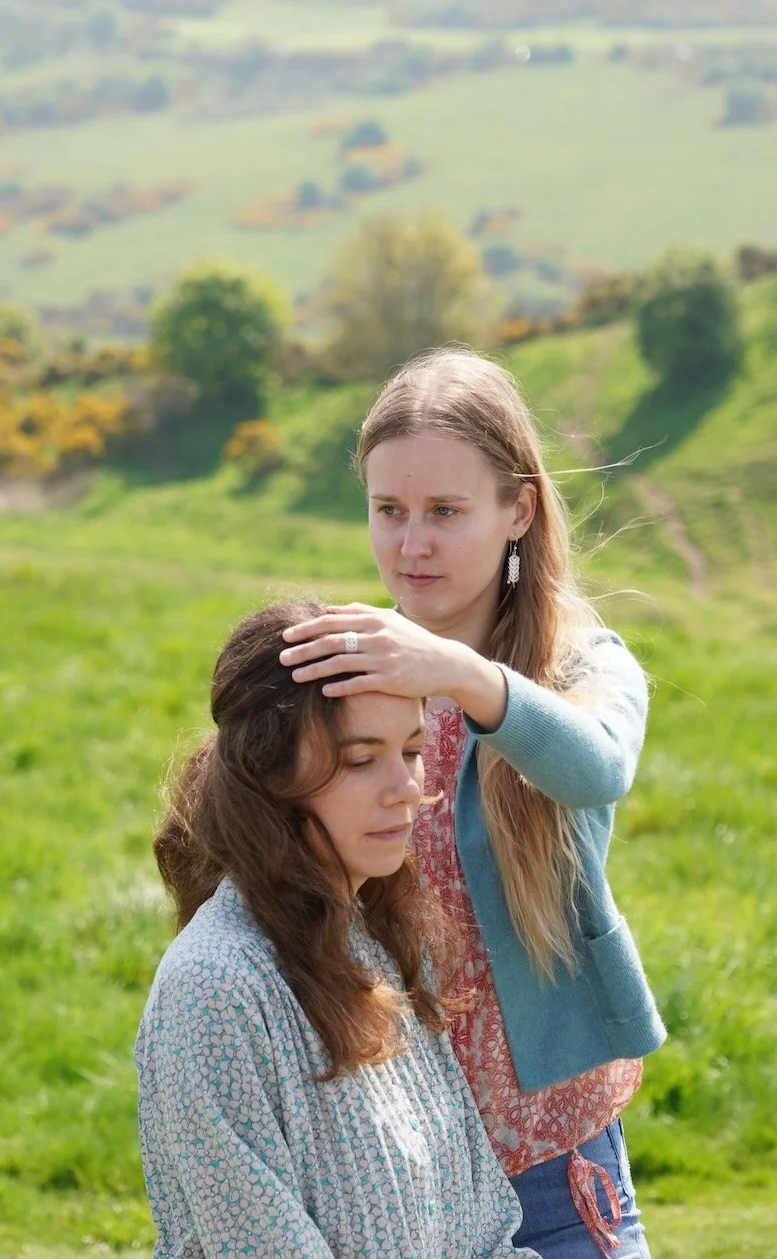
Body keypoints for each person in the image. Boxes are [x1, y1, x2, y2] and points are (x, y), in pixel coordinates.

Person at [280, 348, 664, 1258]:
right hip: (382, 1159)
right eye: (389, 510)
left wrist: (458, 673)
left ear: (517, 509)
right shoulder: (351, 666)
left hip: (550, 1166)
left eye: (445, 512)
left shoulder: (584, 662)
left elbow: (597, 767)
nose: (411, 544)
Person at [136, 600, 537, 1259]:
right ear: (270, 777)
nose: (405, 788)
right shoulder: (214, 987)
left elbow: (484, 1229)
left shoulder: (382, 947)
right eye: (359, 760)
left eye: (411, 751)